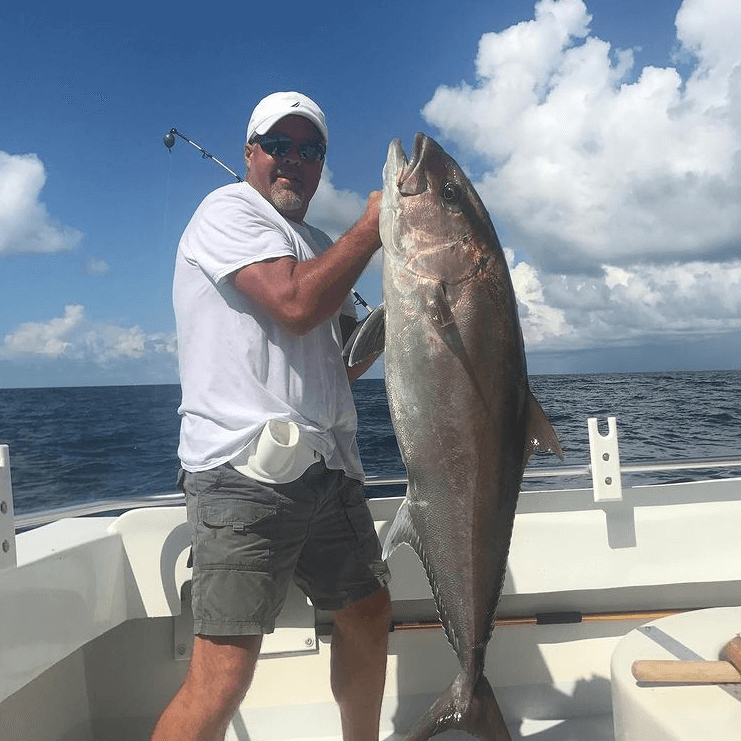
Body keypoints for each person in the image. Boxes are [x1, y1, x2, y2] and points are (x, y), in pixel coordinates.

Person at [152, 92, 392, 741]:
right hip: (242, 472)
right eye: (278, 145)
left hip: (325, 467)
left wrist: (404, 318)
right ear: (249, 153)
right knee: (223, 675)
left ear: (320, 164)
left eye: (309, 148)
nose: (293, 159)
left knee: (367, 613)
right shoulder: (224, 211)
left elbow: (337, 364)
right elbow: (292, 302)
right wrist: (371, 228)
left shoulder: (313, 242)